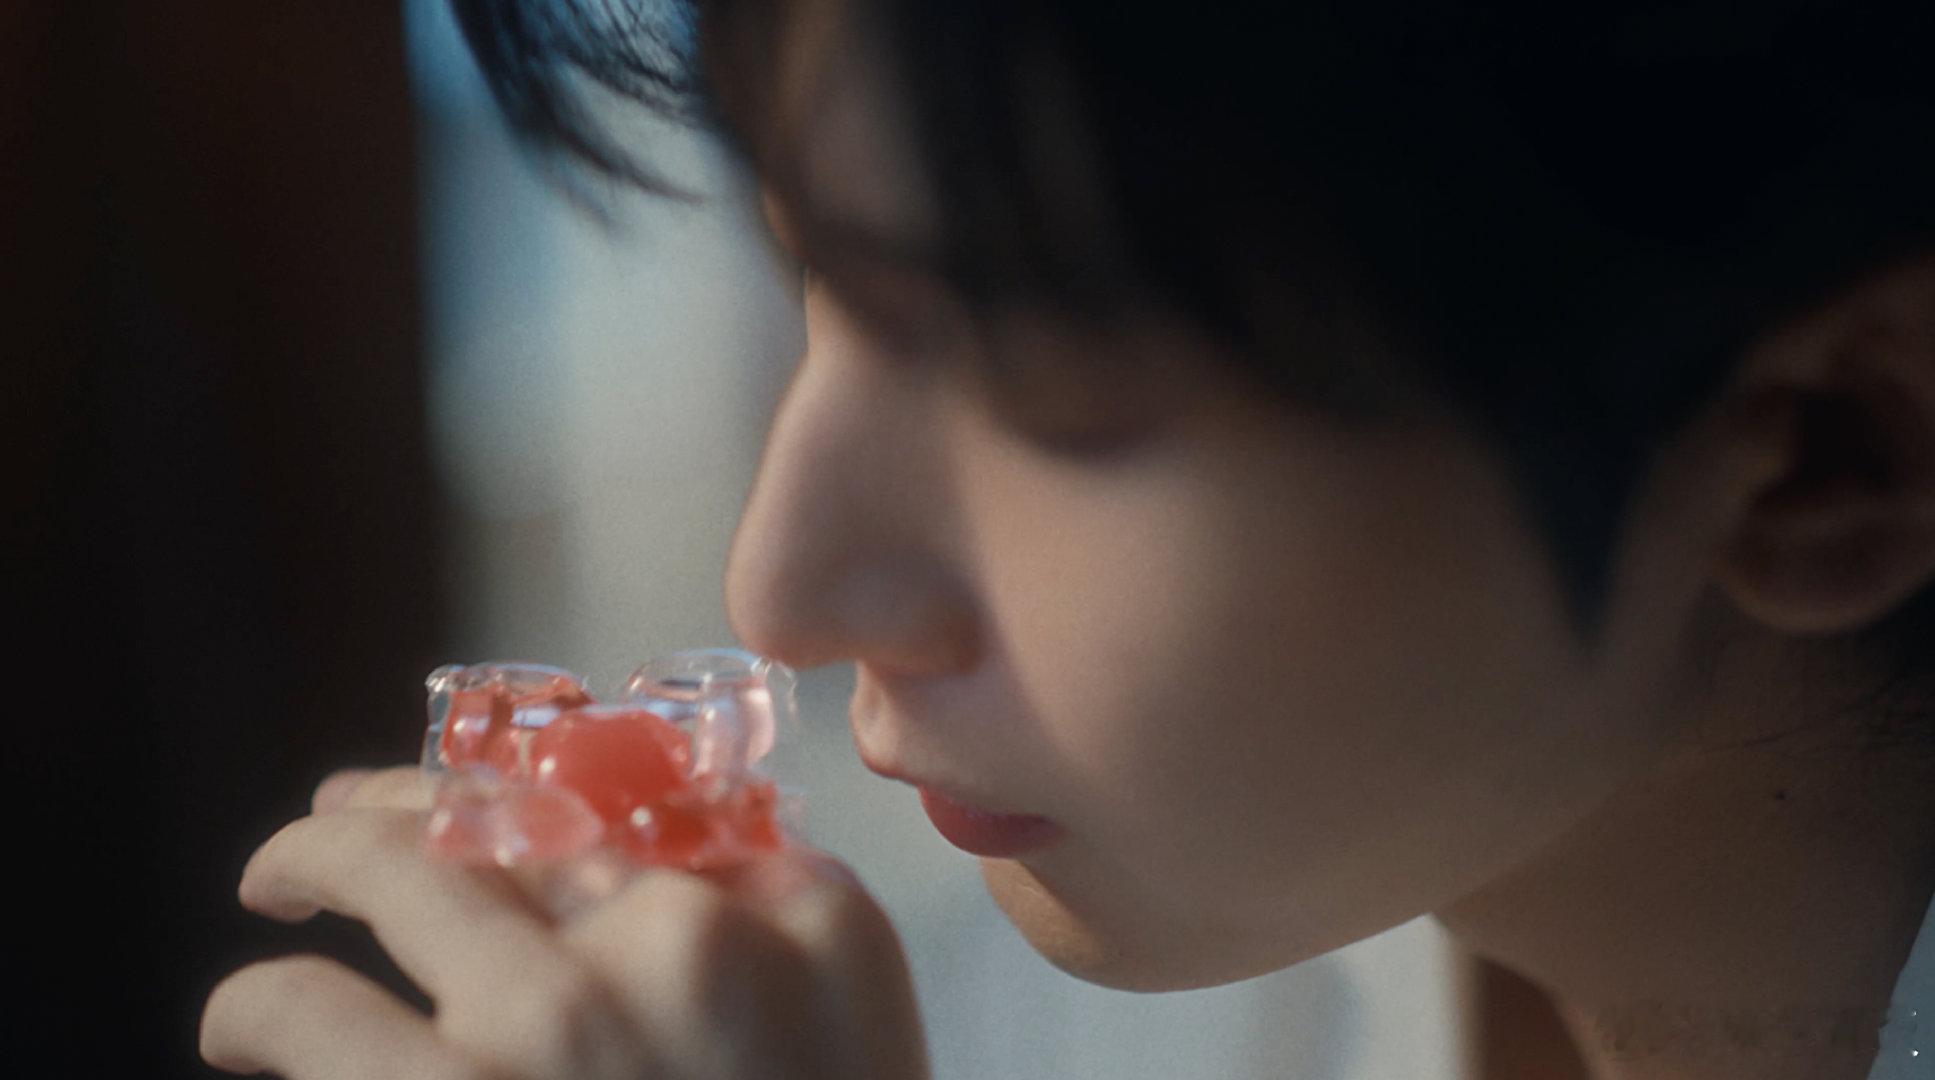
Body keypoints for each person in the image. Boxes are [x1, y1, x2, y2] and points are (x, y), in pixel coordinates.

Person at [199, 2, 1935, 1078]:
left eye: (1044, 391)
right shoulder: (1074, 1011)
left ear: (1829, 460)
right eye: (812, 284)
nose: (779, 590)